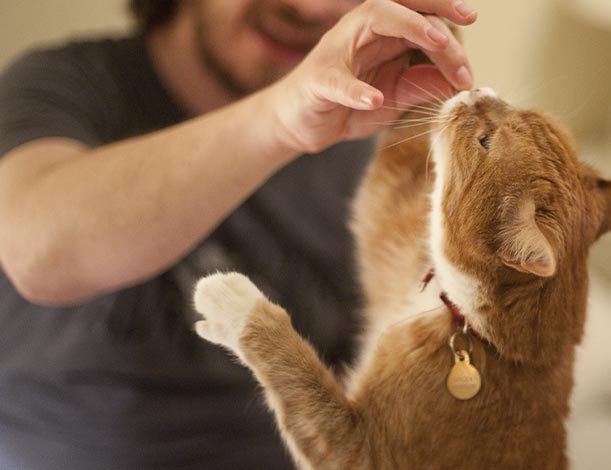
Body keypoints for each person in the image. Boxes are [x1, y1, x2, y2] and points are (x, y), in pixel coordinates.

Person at [0, 0, 477, 468]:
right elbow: (38, 254)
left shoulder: (378, 144)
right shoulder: (65, 84)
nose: (310, 9)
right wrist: (280, 118)